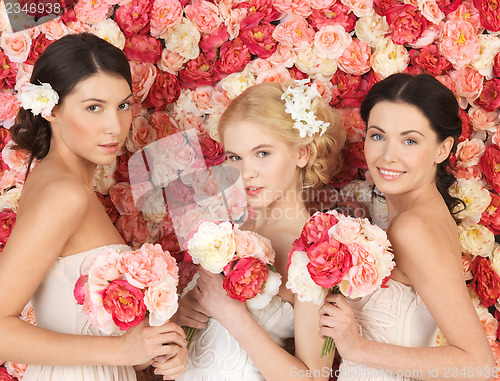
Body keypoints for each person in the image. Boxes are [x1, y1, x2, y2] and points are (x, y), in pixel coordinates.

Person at [0, 33, 187, 381]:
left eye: (123, 105)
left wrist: (152, 349)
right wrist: (122, 351)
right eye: (93, 107)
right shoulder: (63, 194)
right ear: (51, 109)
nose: (114, 126)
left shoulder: (63, 184)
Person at [318, 73, 496, 381]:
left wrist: (357, 348)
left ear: (442, 150)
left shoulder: (413, 228)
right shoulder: (417, 216)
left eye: (409, 140)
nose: (388, 155)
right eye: (378, 136)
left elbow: (478, 365)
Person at [168, 80, 346, 381]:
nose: (246, 172)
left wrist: (231, 315)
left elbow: (314, 378)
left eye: (262, 153)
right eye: (236, 157)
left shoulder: (312, 253)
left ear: (302, 152)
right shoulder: (227, 234)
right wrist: (182, 317)